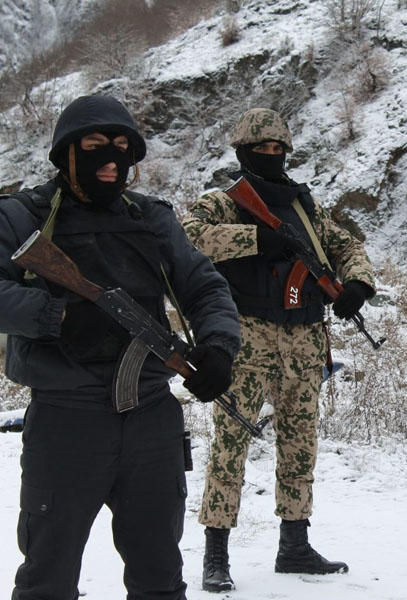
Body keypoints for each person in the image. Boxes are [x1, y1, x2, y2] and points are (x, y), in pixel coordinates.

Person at [0, 94, 242, 600]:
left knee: (159, 576)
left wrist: (218, 346)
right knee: (47, 577)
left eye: (123, 148)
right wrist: (59, 316)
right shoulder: (22, 219)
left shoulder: (151, 220)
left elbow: (204, 286)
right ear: (66, 153)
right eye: (94, 146)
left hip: (152, 418)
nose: (110, 159)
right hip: (66, 423)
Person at [182, 108, 376, 591]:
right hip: (246, 337)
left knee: (300, 444)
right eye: (260, 149)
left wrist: (357, 284)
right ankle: (216, 553)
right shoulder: (224, 202)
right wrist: (255, 239)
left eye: (277, 149)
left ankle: (294, 544)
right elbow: (189, 238)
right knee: (230, 444)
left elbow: (347, 244)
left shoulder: (306, 208)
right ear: (242, 152)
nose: (270, 155)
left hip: (305, 338)